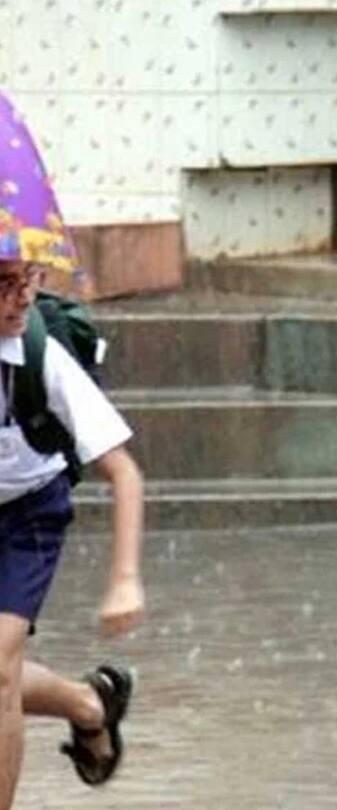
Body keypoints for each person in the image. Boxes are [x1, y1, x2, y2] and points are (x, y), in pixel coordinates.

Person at [0, 256, 145, 809]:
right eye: (5, 284)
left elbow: (124, 473)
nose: (22, 298)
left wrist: (125, 579)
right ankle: (89, 703)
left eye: (30, 280)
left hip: (28, 514)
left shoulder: (42, 357)